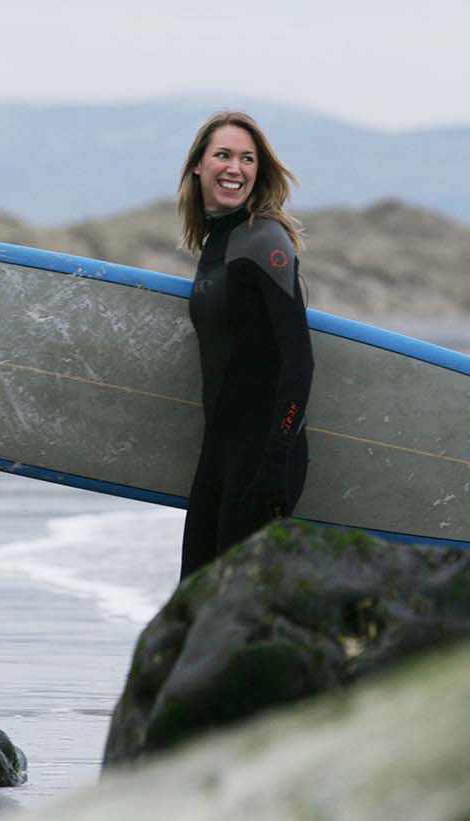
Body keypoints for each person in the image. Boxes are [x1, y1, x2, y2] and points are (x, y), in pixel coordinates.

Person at [177, 111, 314, 579]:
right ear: (198, 165)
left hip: (261, 456)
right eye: (223, 155)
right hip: (219, 451)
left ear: (259, 171)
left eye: (247, 158)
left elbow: (298, 358)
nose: (235, 167)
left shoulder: (264, 240)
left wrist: (276, 459)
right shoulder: (216, 244)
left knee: (235, 610)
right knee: (195, 600)